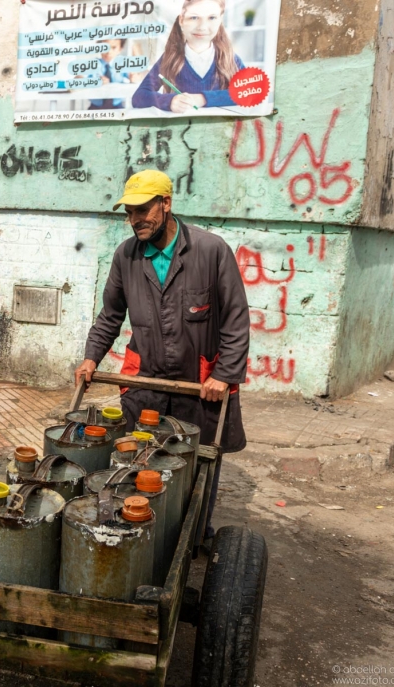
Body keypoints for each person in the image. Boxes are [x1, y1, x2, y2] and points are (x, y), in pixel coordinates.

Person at [74, 169, 249, 536]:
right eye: (129, 212)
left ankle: (194, 536)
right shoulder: (127, 256)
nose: (135, 219)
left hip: (199, 387)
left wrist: (224, 375)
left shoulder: (211, 251)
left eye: (143, 209)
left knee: (197, 470)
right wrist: (91, 357)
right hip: (147, 385)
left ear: (166, 204)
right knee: (136, 464)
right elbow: (110, 315)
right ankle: (143, 536)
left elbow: (236, 320)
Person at [131, 0, 245, 113]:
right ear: (182, 20)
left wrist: (202, 98)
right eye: (194, 18)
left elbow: (250, 91)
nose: (202, 27)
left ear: (220, 20)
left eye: (212, 18)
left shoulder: (230, 58)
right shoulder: (170, 58)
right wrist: (169, 101)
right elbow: (139, 96)